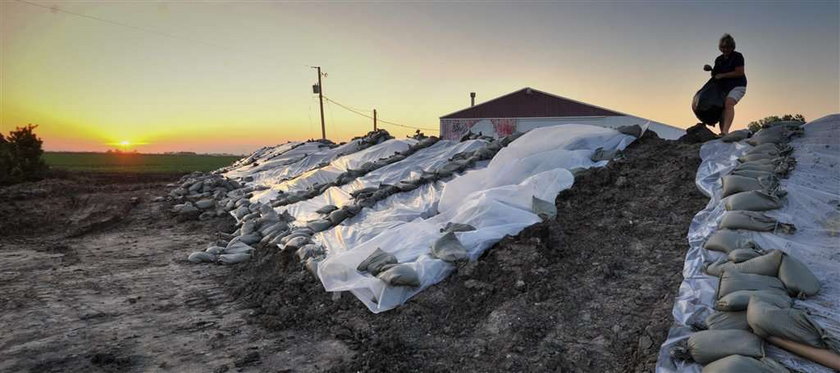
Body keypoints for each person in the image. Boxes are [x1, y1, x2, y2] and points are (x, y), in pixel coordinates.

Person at [703, 33, 747, 135]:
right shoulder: (719, 59)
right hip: (724, 88)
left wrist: (723, 75)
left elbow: (739, 72)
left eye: (728, 47)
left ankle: (725, 131)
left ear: (732, 47)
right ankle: (722, 133)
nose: (725, 49)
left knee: (729, 103)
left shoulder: (737, 56)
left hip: (738, 86)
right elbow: (715, 75)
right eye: (723, 47)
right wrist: (709, 69)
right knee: (720, 106)